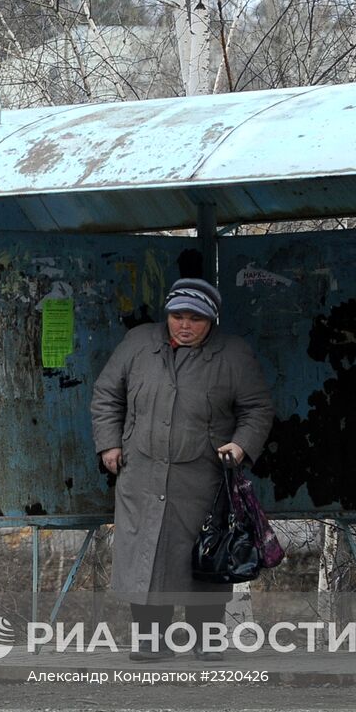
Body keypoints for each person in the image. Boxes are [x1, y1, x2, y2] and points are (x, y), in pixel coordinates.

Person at [90, 278, 274, 662]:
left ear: (212, 321)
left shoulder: (233, 354)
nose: (185, 326)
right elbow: (107, 393)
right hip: (141, 473)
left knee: (204, 558)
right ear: (167, 315)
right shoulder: (139, 343)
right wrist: (109, 443)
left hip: (203, 478)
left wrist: (241, 446)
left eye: (196, 319)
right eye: (178, 316)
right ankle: (149, 641)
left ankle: (206, 640)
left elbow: (257, 408)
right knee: (147, 557)